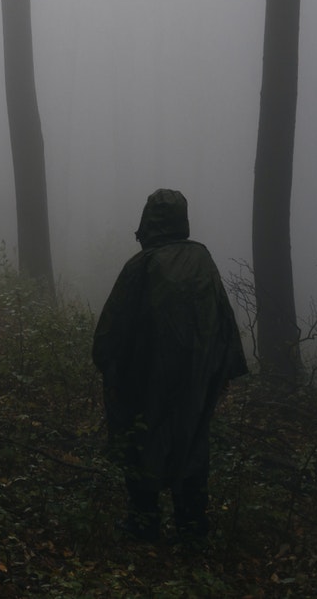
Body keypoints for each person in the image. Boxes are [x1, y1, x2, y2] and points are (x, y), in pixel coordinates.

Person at [92, 188, 247, 543]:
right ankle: (192, 531)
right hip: (196, 379)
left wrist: (111, 367)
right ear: (182, 220)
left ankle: (144, 523)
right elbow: (223, 319)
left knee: (141, 440)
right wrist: (223, 372)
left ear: (147, 222)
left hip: (145, 381)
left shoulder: (141, 266)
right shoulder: (202, 260)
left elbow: (110, 332)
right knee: (192, 444)